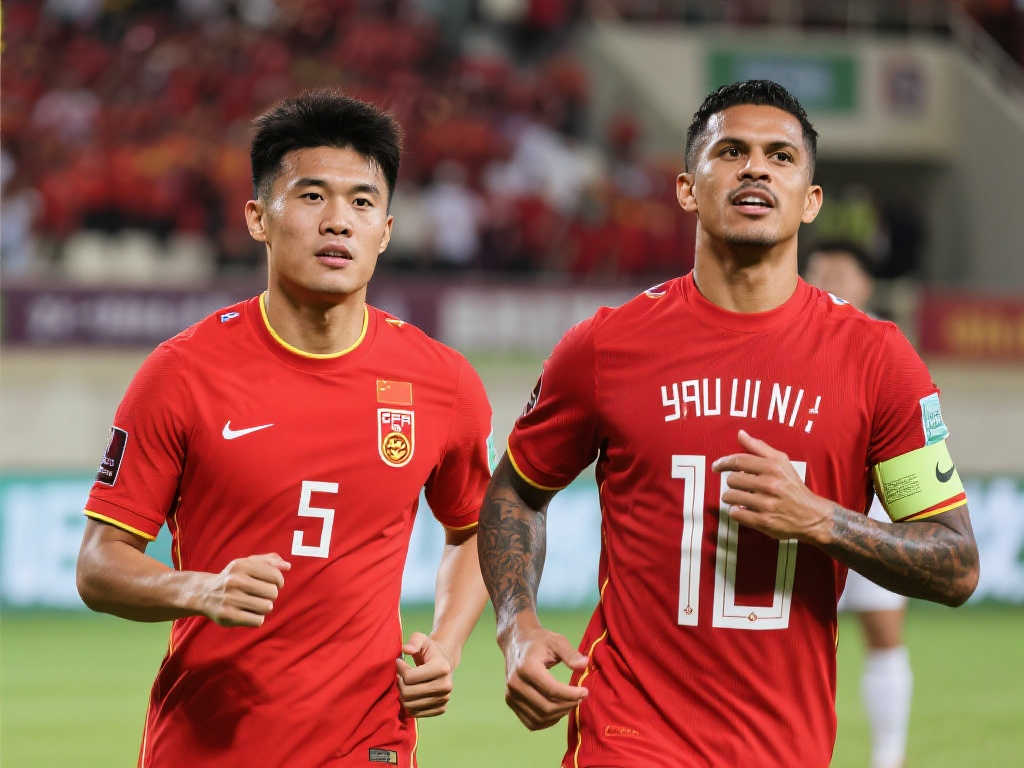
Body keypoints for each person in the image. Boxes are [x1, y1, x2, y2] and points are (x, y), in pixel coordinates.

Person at [477, 80, 979, 768]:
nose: (755, 169)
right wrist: (517, 626)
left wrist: (821, 519)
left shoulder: (879, 361)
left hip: (786, 747)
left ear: (810, 200)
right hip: (629, 738)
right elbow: (515, 490)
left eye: (780, 156)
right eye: (731, 151)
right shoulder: (606, 346)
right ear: (687, 189)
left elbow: (956, 563)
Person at [76, 90, 493, 768]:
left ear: (386, 230)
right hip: (209, 747)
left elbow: (476, 528)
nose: (339, 222)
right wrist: (199, 589)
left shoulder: (441, 381)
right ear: (258, 218)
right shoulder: (183, 372)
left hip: (369, 745)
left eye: (362, 202)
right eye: (311, 196)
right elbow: (99, 565)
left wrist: (445, 644)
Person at [805, 240, 912, 768]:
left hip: (869, 512)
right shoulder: (788, 335)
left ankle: (888, 758)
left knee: (883, 632)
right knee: (779, 640)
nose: (829, 281)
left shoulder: (885, 347)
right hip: (796, 508)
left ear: (866, 284)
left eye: (841, 272)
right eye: (819, 271)